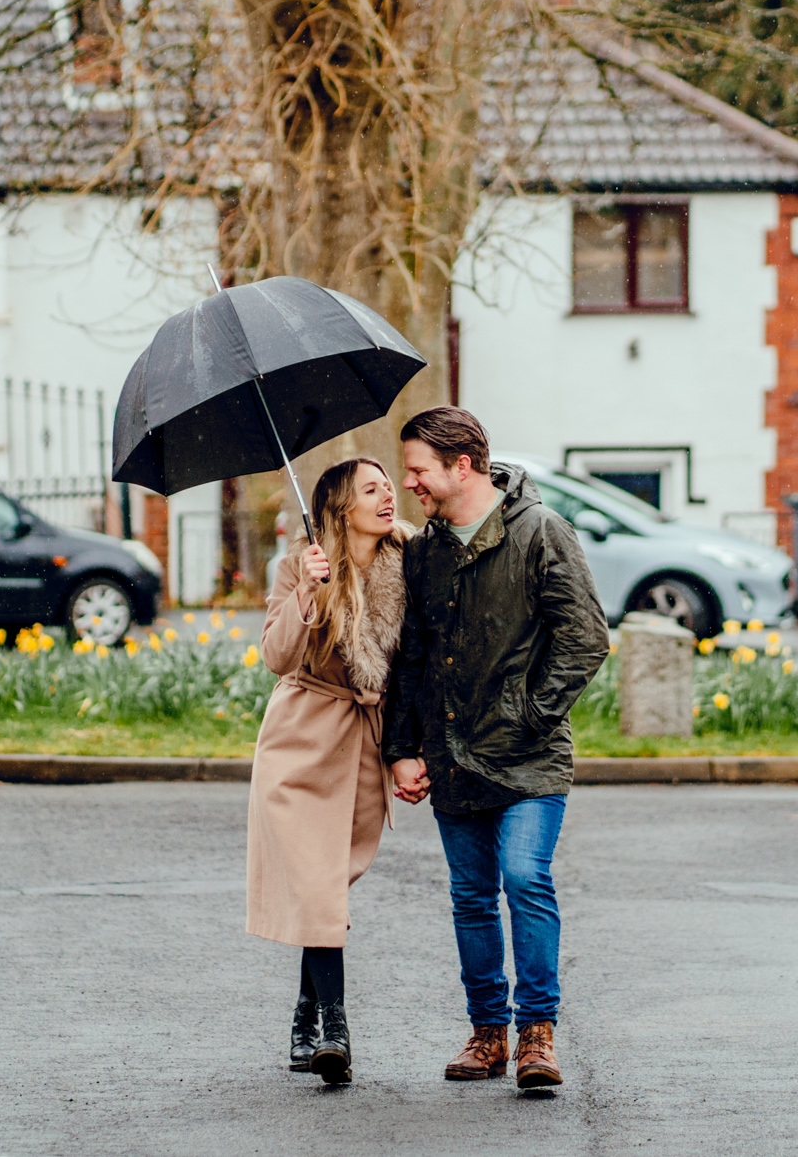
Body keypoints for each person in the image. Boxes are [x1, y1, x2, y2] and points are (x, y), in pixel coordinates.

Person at [384, 407, 607, 1094]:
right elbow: (410, 657)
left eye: (419, 468)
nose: (411, 481)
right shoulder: (423, 552)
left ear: (463, 463)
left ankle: (537, 1032)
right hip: (451, 753)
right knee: (472, 897)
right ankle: (488, 1033)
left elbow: (586, 637)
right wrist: (401, 748)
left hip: (530, 754)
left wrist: (529, 712)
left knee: (524, 877)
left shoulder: (541, 532)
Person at [245, 455, 410, 1086]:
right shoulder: (301, 563)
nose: (388, 495)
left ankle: (303, 1014)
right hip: (300, 740)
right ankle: (333, 1028)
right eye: (372, 489)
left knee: (327, 889)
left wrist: (404, 750)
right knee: (317, 888)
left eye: (388, 484)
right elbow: (275, 654)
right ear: (341, 509)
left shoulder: (407, 558)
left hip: (365, 739)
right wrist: (310, 590)